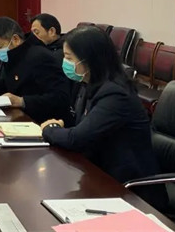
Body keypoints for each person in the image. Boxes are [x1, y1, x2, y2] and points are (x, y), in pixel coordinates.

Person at [40, 26, 166, 210]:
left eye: (69, 58)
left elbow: (76, 139)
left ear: (89, 60)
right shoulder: (89, 84)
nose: (64, 62)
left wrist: (50, 129)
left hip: (130, 190)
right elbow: (82, 128)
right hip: (100, 173)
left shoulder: (115, 94)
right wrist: (62, 128)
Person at [0, 16, 71, 124]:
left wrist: (22, 101)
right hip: (21, 117)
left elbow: (60, 98)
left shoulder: (40, 57)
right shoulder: (14, 55)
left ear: (15, 39)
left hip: (45, 122)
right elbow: (7, 84)